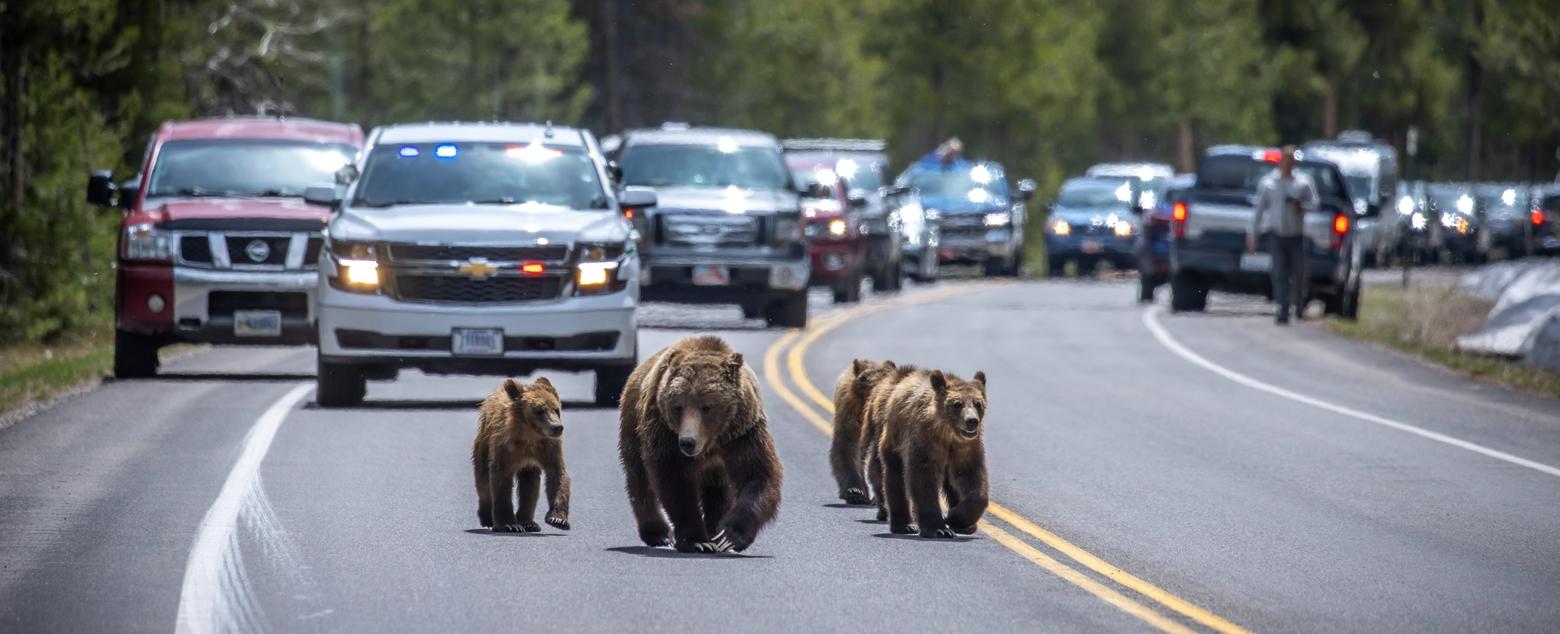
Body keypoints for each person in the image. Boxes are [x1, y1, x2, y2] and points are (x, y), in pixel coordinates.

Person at [1247, 145, 1318, 325]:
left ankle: (1300, 305)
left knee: (1299, 272)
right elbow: (1259, 211)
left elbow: (1315, 204)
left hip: (1296, 234)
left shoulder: (1302, 182)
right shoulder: (1268, 183)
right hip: (1276, 234)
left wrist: (1300, 206)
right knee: (1279, 273)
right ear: (1280, 161)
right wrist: (1252, 233)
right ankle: (1283, 309)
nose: (1288, 164)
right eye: (1285, 160)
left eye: (1291, 161)